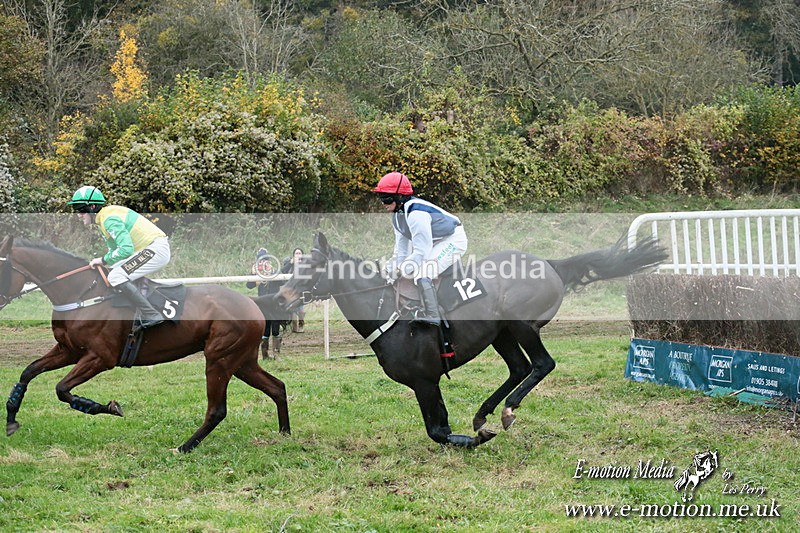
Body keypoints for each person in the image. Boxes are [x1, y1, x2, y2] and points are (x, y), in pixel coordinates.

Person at [68, 185, 170, 330]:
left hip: (155, 249)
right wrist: (106, 262)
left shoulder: (109, 219)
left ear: (92, 207)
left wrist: (103, 260)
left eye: (80, 209)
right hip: (146, 248)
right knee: (112, 271)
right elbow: (114, 250)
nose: (78, 214)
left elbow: (126, 249)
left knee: (116, 276)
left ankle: (151, 314)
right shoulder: (103, 220)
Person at [373, 172, 467, 326]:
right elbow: (401, 252)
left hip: (453, 239)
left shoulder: (416, 214)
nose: (383, 202)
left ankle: (433, 314)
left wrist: (401, 270)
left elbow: (421, 252)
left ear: (400, 197)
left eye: (386, 198)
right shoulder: (397, 216)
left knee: (423, 272)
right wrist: (388, 270)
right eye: (381, 197)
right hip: (435, 241)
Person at [247, 247, 290, 359]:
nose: (263, 262)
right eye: (260, 260)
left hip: (275, 303)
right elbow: (249, 285)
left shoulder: (274, 271)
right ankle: (265, 355)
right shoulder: (257, 272)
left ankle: (276, 354)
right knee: (265, 330)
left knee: (275, 329)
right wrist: (253, 275)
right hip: (263, 304)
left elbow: (283, 281)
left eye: (265, 260)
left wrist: (273, 272)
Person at [285, 247, 305, 333]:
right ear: (293, 256)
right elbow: (283, 272)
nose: (298, 255)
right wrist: (290, 264)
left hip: (301, 289)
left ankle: (301, 324)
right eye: (296, 253)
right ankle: (294, 326)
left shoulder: (305, 264)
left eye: (299, 253)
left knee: (300, 308)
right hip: (291, 290)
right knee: (292, 307)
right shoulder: (289, 264)